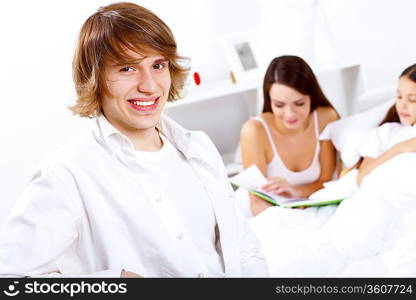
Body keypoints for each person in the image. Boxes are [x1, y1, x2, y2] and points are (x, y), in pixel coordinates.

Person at [0, 2, 268, 278]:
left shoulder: (199, 147)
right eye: (127, 68)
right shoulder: (66, 175)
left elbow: (244, 250)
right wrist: (113, 283)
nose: (149, 85)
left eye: (158, 65)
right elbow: (12, 282)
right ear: (95, 78)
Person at [240, 55, 339, 216]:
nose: (290, 114)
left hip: (305, 207)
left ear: (311, 97)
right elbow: (257, 202)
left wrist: (296, 192)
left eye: (300, 103)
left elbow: (326, 182)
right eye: (279, 105)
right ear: (269, 100)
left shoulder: (325, 118)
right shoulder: (254, 131)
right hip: (264, 214)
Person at [357, 63, 416, 185]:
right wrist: (399, 148)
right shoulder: (385, 133)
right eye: (399, 97)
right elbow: (361, 179)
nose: (402, 105)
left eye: (412, 100)